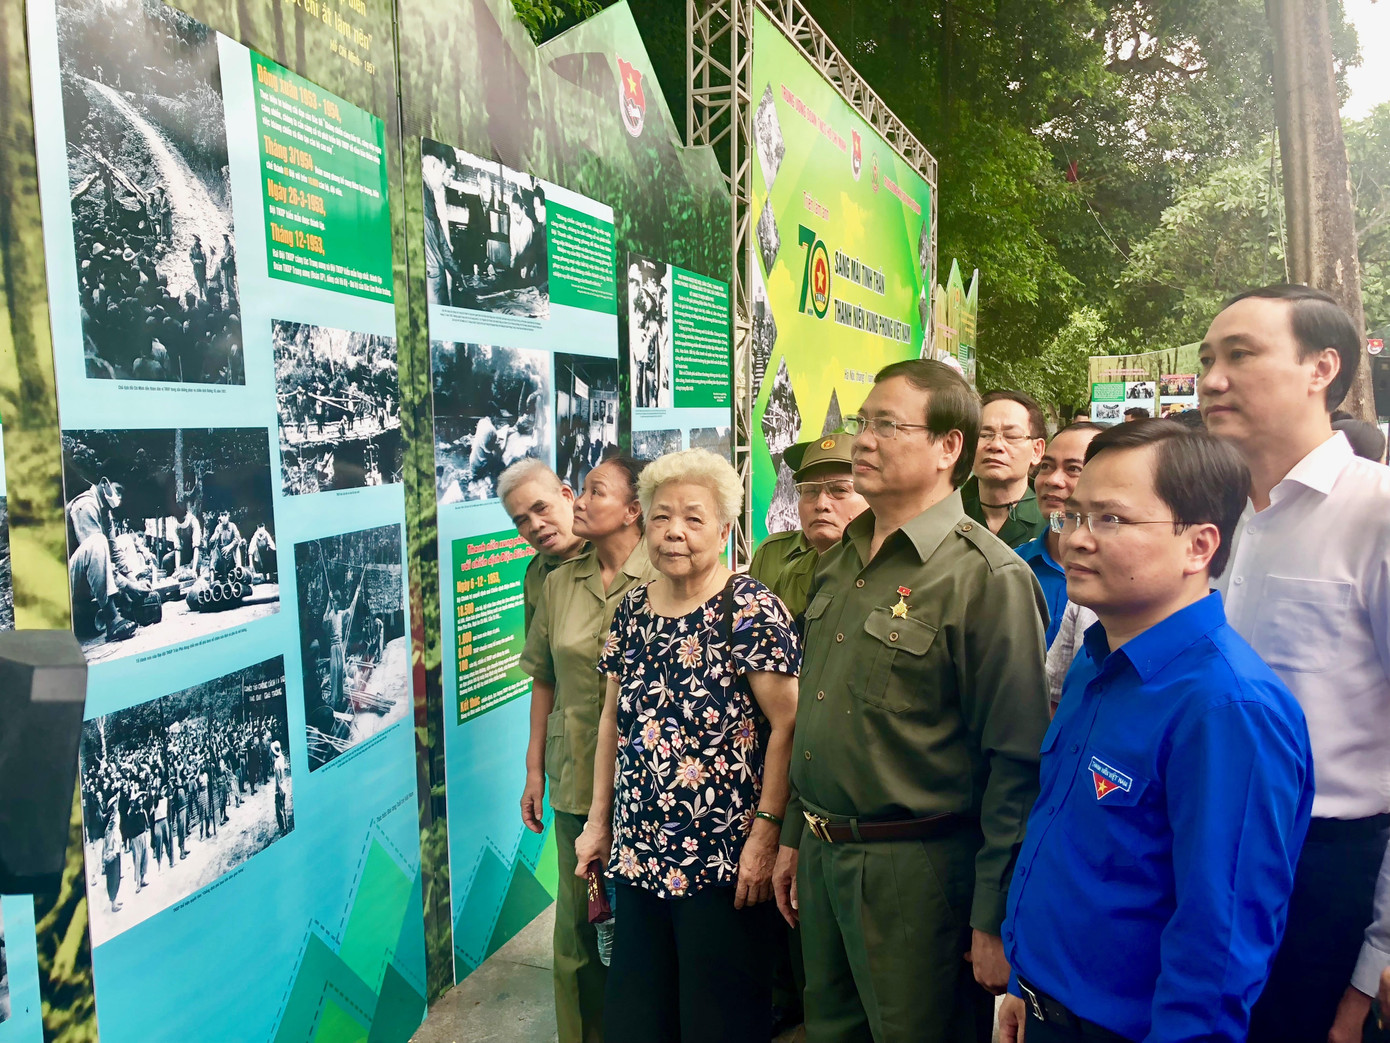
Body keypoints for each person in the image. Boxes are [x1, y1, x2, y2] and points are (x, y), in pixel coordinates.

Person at [998, 419, 1315, 1043]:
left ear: (1199, 545)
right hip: (1042, 1006)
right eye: (1073, 516)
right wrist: (1022, 983)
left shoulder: (1228, 710)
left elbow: (1218, 949)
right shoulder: (1096, 659)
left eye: (1111, 520)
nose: (1076, 541)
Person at [773, 360, 1050, 1043]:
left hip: (916, 873)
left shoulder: (986, 577)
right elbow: (818, 712)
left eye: (886, 425)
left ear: (948, 447)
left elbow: (1014, 761)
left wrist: (993, 914)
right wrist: (789, 836)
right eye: (860, 423)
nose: (863, 439)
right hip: (822, 851)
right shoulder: (842, 560)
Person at [1199, 284, 1390, 1043]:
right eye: (1208, 358)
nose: (1212, 378)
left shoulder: (1375, 510)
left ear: (1322, 369)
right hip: (1210, 848)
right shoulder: (1224, 518)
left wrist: (1377, 944)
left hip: (1324, 872)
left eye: (1240, 355)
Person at [574, 449, 800, 1043]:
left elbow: (789, 725)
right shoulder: (633, 611)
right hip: (640, 856)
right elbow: (612, 721)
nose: (675, 531)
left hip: (723, 862)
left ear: (725, 530)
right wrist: (599, 822)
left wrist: (767, 831)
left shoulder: (750, 610)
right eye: (661, 517)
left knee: (718, 1022)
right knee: (638, 1019)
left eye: (694, 518)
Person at [519, 456, 657, 1043]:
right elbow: (543, 678)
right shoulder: (556, 583)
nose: (578, 499)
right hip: (575, 770)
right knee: (579, 926)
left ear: (633, 510)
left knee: (648, 929)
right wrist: (532, 770)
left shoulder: (668, 573)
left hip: (656, 779)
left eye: (595, 490)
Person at [748, 431, 867, 622]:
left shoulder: (888, 567)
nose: (821, 504)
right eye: (810, 490)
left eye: (839, 490)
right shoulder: (783, 564)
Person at [1013, 423, 1104, 648]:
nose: (1052, 480)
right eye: (1046, 466)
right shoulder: (1010, 568)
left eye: (1073, 468)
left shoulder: (1124, 577)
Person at [499, 459, 587, 632]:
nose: (535, 525)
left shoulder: (613, 549)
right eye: (522, 521)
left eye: (541, 508)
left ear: (567, 496)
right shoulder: (535, 575)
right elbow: (537, 653)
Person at [960, 389, 1048, 547]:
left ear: (1037, 450)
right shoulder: (946, 514)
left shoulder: (1052, 522)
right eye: (984, 434)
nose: (995, 445)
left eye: (1011, 436)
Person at [67, 477, 137, 641]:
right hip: (64, 580)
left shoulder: (105, 511)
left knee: (125, 540)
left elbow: (114, 551)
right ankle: (112, 618)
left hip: (83, 575)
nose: (119, 497)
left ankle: (131, 602)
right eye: (118, 490)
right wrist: (127, 586)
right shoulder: (85, 505)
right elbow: (96, 556)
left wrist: (135, 581)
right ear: (105, 483)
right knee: (97, 542)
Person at [102, 794, 122, 914]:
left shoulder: (116, 814)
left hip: (117, 850)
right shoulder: (110, 820)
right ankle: (113, 903)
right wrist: (112, 851)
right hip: (112, 852)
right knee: (113, 877)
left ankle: (115, 899)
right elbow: (108, 836)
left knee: (117, 875)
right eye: (114, 803)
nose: (116, 804)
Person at [272, 741, 289, 834]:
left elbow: (278, 779)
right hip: (284, 784)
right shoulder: (282, 758)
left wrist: (278, 790)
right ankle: (286, 826)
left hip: (279, 787)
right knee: (284, 806)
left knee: (279, 808)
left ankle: (283, 828)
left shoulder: (276, 764)